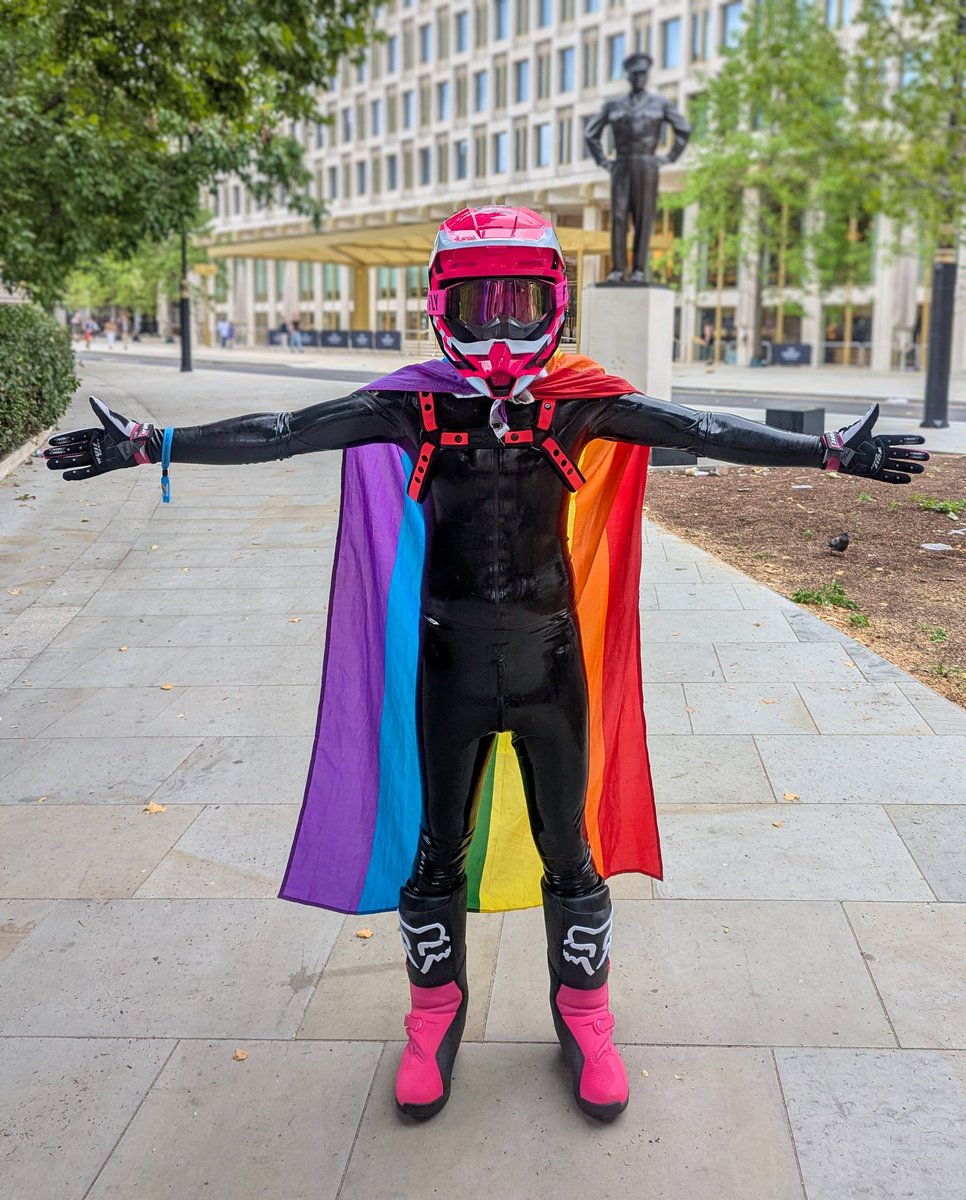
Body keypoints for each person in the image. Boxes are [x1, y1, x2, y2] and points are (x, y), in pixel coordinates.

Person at [44, 206, 928, 1124]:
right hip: (450, 667)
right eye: (479, 305)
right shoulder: (409, 404)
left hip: (551, 665)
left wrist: (827, 453)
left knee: (569, 849)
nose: (501, 329)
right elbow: (284, 429)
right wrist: (153, 445)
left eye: (520, 303)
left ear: (554, 302)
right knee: (437, 852)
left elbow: (699, 426)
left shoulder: (578, 403)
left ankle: (585, 1016)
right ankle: (434, 1019)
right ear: (441, 307)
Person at [585, 54, 691, 283]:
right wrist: (603, 161)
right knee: (619, 217)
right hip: (621, 164)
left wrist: (669, 157)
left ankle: (639, 269)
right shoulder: (614, 105)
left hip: (647, 165)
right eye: (635, 75)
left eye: (643, 75)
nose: (639, 79)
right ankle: (617, 269)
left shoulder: (659, 104)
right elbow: (590, 133)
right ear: (629, 77)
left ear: (647, 76)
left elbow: (684, 129)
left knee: (644, 218)